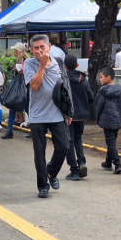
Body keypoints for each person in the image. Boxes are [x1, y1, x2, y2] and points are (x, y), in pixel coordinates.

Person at [23, 34, 71, 199]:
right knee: (39, 153)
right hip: (37, 115)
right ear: (30, 50)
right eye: (35, 48)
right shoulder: (29, 63)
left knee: (64, 146)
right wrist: (42, 66)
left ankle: (51, 172)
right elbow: (35, 86)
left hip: (57, 113)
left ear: (49, 47)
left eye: (42, 47)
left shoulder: (58, 61)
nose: (39, 50)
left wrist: (68, 111)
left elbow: (65, 87)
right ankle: (43, 185)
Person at [94, 67, 121, 174]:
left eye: (101, 77)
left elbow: (98, 106)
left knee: (111, 142)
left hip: (106, 120)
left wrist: (98, 119)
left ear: (108, 78)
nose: (99, 79)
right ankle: (108, 161)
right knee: (112, 141)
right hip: (118, 120)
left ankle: (117, 163)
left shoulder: (102, 91)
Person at [63, 54, 95, 180]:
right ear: (77, 65)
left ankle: (74, 170)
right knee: (78, 139)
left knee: (69, 142)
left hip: (68, 114)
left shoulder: (63, 78)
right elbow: (91, 97)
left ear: (64, 66)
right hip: (82, 114)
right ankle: (82, 162)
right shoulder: (84, 79)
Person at [1, 43, 30, 139]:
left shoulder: (27, 61)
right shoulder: (22, 61)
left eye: (15, 50)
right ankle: (9, 130)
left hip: (24, 88)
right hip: (22, 87)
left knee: (26, 107)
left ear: (18, 51)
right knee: (14, 107)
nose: (13, 52)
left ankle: (10, 131)